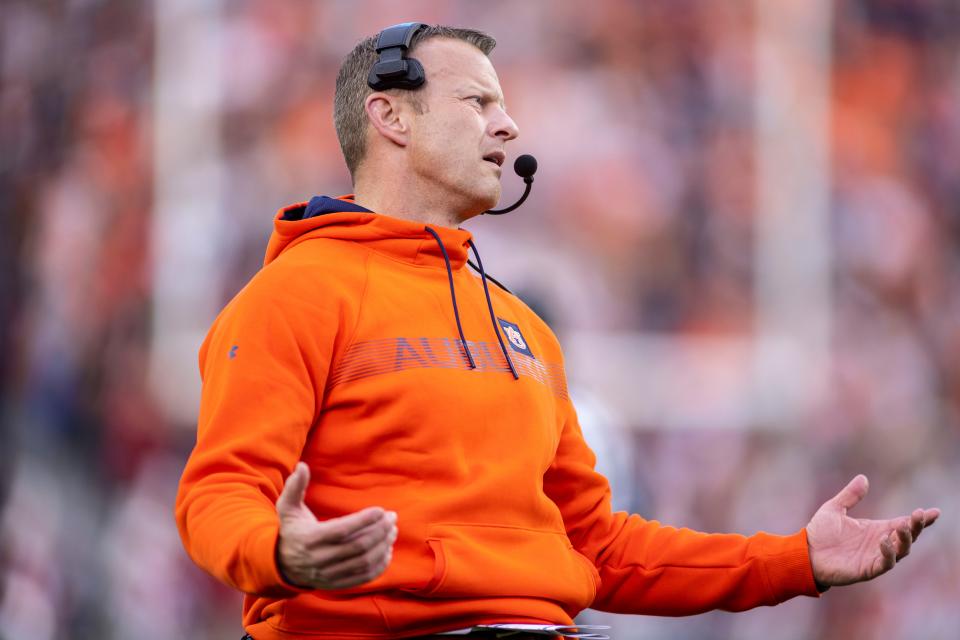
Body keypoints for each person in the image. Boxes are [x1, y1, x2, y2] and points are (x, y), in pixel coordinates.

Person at [174, 23, 940, 640]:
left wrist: (795, 560)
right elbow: (219, 492)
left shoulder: (524, 329)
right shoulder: (293, 296)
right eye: (478, 102)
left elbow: (597, 547)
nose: (508, 125)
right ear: (390, 114)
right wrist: (279, 551)